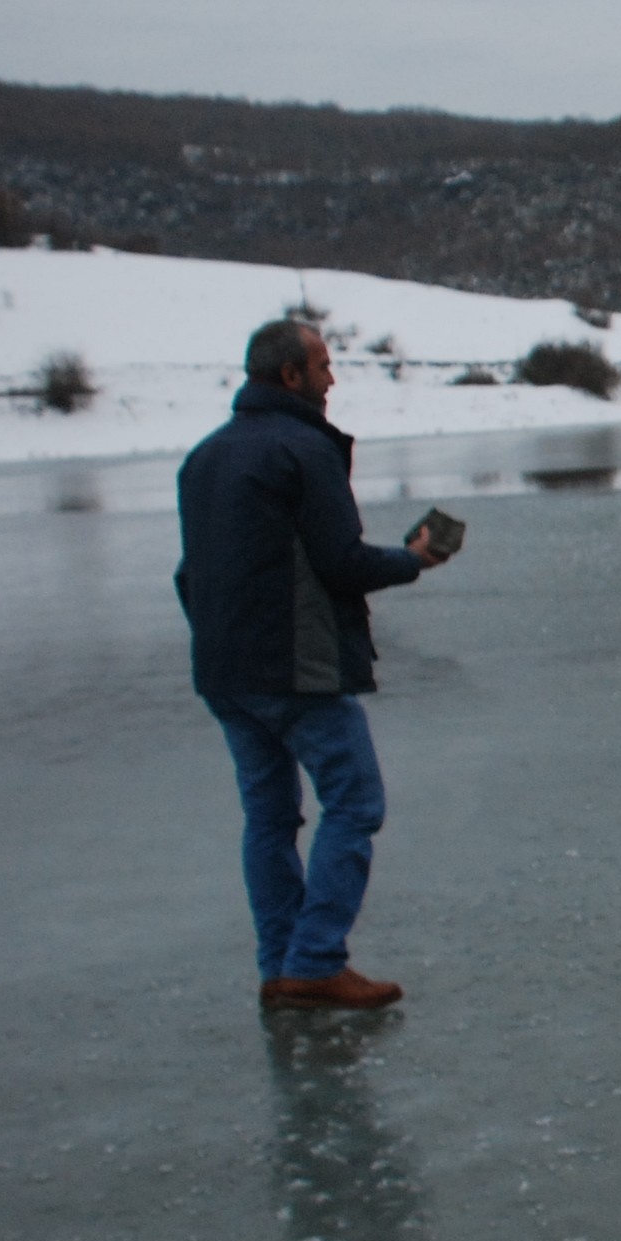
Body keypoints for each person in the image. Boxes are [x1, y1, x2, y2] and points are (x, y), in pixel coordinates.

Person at [176, 318, 451, 1010]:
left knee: (269, 818)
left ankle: (282, 966)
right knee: (356, 802)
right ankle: (316, 960)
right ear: (291, 376)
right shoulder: (304, 448)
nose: (333, 379)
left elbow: (190, 576)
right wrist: (413, 560)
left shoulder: (203, 458)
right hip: (297, 669)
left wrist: (224, 641)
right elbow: (340, 562)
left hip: (225, 672)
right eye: (324, 366)